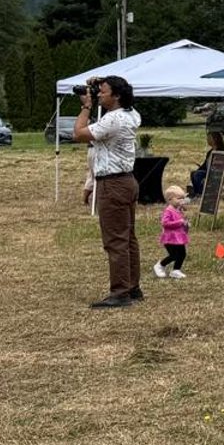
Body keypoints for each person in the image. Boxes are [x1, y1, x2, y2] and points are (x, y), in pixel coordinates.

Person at [74, 75, 143, 308]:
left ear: (117, 96)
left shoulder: (113, 119)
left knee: (115, 240)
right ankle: (132, 287)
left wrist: (86, 106)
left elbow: (79, 133)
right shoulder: (131, 114)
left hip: (112, 184)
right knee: (128, 237)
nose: (99, 95)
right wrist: (100, 83)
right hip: (127, 181)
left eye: (103, 92)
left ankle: (120, 292)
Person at [154, 185, 190, 279]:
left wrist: (185, 224)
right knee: (174, 255)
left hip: (179, 237)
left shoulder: (179, 210)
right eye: (179, 198)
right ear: (170, 199)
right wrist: (179, 222)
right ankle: (160, 265)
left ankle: (176, 270)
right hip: (170, 238)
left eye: (182, 198)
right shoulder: (168, 211)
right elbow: (165, 223)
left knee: (182, 254)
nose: (181, 201)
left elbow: (182, 221)